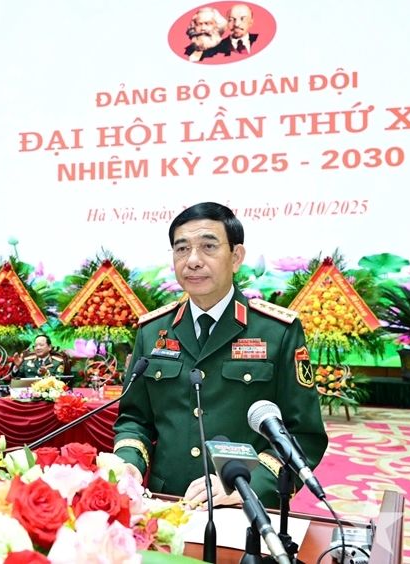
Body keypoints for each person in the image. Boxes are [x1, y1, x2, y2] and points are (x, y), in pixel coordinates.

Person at [112, 202, 327, 509]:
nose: (193, 261)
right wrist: (128, 462)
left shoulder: (277, 331)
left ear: (236, 257)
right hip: (166, 503)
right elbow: (135, 419)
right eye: (182, 249)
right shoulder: (152, 330)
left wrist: (250, 485)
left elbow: (303, 434)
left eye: (208, 247)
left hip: (246, 509)